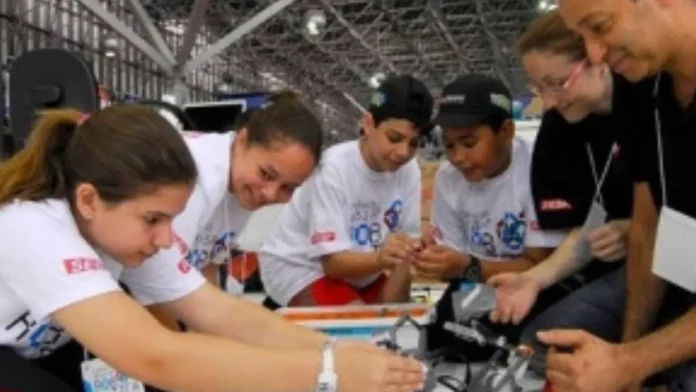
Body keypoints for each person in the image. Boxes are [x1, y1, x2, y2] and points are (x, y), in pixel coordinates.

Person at [0, 105, 425, 392]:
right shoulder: (32, 228)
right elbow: (157, 355)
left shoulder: (121, 226)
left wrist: (332, 350)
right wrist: (327, 372)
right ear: (90, 200)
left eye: (171, 219)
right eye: (153, 220)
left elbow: (220, 312)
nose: (168, 239)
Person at [533, 0, 696, 391]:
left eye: (601, 26)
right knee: (549, 348)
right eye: (582, 38)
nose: (594, 54)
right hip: (683, 270)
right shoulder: (641, 88)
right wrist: (628, 355)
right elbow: (648, 225)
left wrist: (631, 361)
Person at [485, 10, 635, 371]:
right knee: (538, 346)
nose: (550, 101)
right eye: (540, 88)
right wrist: (532, 281)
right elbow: (580, 235)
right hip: (614, 272)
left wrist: (636, 229)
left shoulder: (650, 101)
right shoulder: (558, 133)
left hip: (675, 262)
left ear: (598, 58)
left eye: (558, 83)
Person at [418, 74, 565, 359]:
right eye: (449, 146)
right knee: (434, 323)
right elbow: (453, 267)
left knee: (504, 329)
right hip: (480, 289)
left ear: (506, 131)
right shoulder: (448, 178)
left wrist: (465, 266)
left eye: (469, 142)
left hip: (537, 285)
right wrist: (430, 261)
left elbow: (538, 264)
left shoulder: (539, 166)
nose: (458, 157)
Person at [259, 74, 434, 307]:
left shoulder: (409, 170)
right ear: (368, 123)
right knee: (357, 328)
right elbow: (332, 264)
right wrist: (382, 259)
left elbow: (404, 254)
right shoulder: (333, 168)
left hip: (364, 269)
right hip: (301, 266)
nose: (403, 152)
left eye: (414, 143)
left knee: (399, 326)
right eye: (394, 138)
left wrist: (394, 311)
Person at [146, 90, 310, 330]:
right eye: (266, 174)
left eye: (288, 188)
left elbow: (205, 267)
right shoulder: (197, 176)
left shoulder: (241, 183)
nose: (270, 194)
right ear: (242, 141)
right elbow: (152, 284)